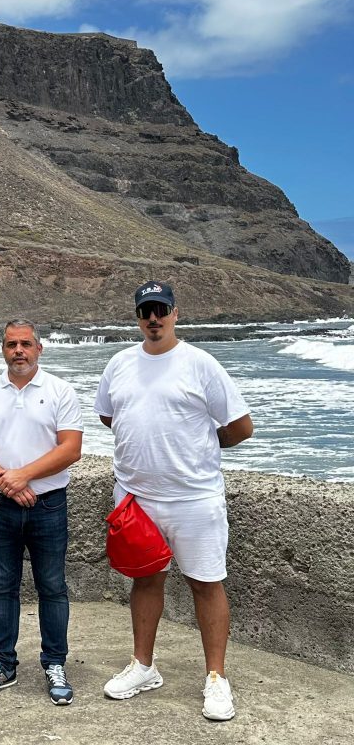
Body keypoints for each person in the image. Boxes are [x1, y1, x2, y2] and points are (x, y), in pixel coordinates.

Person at [94, 280, 253, 721]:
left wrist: (200, 445)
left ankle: (217, 679)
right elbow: (111, 415)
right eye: (146, 311)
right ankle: (143, 666)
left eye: (161, 309)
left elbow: (240, 427)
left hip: (194, 498)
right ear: (137, 316)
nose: (154, 318)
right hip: (135, 499)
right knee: (145, 580)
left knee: (206, 582)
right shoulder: (119, 364)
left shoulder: (200, 364)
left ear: (175, 313)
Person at [0, 319, 83, 705]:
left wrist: (23, 477)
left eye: (26, 344)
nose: (19, 351)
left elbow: (71, 448)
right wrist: (6, 482)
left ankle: (54, 664)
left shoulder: (60, 390)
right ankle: (2, 663)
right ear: (3, 349)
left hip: (48, 504)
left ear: (39, 349)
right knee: (2, 585)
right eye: (12, 344)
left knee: (52, 586)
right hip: (0, 504)